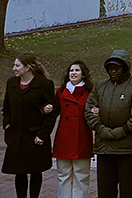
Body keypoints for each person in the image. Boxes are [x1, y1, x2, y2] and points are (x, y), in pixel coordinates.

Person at [86, 49, 132, 198]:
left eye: (117, 67)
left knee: (128, 191)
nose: (113, 71)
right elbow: (89, 110)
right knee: (105, 191)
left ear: (125, 67)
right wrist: (101, 129)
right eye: (110, 68)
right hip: (104, 148)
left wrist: (120, 132)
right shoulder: (100, 86)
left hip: (127, 149)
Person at [3, 53, 59, 198]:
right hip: (16, 136)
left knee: (35, 170)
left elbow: (51, 112)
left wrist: (43, 134)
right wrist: (7, 126)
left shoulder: (44, 84)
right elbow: (6, 108)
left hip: (35, 136)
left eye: (17, 65)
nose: (14, 68)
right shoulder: (11, 83)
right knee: (19, 172)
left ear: (27, 68)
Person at [54, 60, 94, 198]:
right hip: (64, 138)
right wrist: (45, 109)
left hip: (82, 138)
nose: (73, 73)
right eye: (71, 70)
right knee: (63, 175)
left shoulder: (90, 91)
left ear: (83, 74)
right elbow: (54, 110)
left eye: (77, 70)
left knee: (81, 176)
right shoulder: (60, 91)